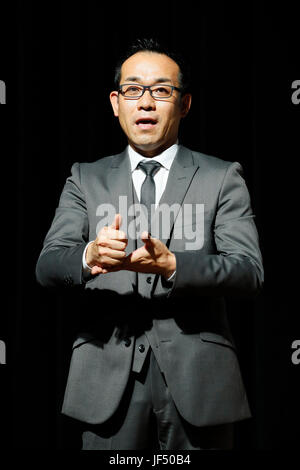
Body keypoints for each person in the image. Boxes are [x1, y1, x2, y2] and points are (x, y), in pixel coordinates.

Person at [36, 38, 264, 450]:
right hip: (105, 381)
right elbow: (49, 265)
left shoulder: (222, 176)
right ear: (115, 102)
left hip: (200, 383)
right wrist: (89, 256)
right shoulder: (85, 179)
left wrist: (175, 264)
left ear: (184, 104)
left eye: (161, 90)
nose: (145, 102)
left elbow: (248, 271)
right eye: (133, 90)